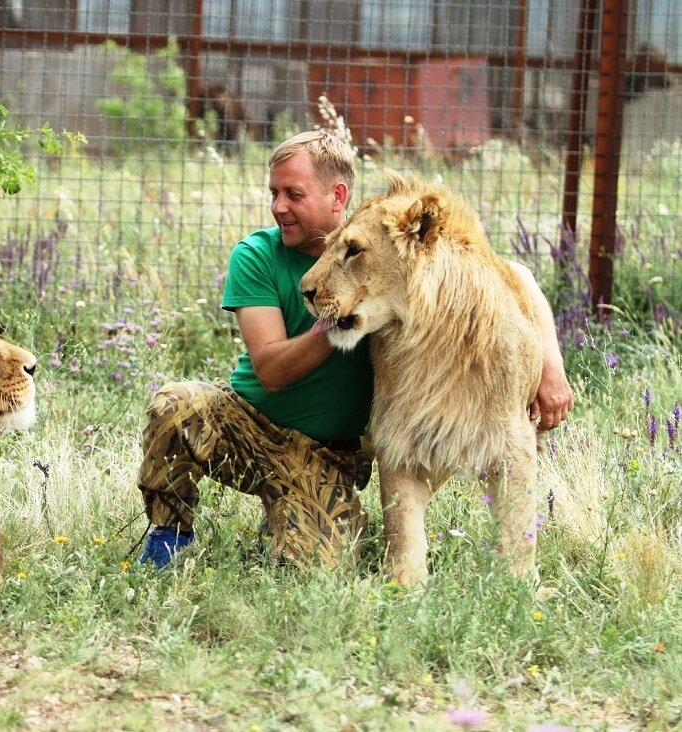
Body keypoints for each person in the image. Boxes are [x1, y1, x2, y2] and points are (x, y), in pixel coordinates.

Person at [135, 128, 574, 568]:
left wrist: (550, 364)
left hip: (324, 455)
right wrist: (335, 318)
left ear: (336, 194)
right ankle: (170, 535)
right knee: (177, 405)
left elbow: (506, 273)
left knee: (316, 568)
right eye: (274, 193)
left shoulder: (383, 250)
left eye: (293, 193)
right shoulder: (257, 255)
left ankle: (292, 515)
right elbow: (270, 368)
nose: (277, 207)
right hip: (250, 423)